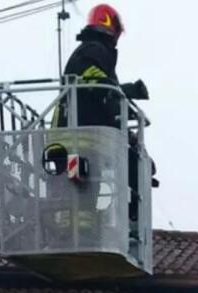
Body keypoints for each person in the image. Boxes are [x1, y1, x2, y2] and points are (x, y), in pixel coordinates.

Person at [59, 4, 154, 237]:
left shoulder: (92, 51)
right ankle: (131, 225)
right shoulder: (93, 50)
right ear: (112, 28)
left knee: (93, 184)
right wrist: (127, 91)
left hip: (84, 129)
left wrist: (125, 120)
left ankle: (96, 227)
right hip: (86, 133)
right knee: (137, 168)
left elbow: (104, 96)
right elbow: (98, 87)